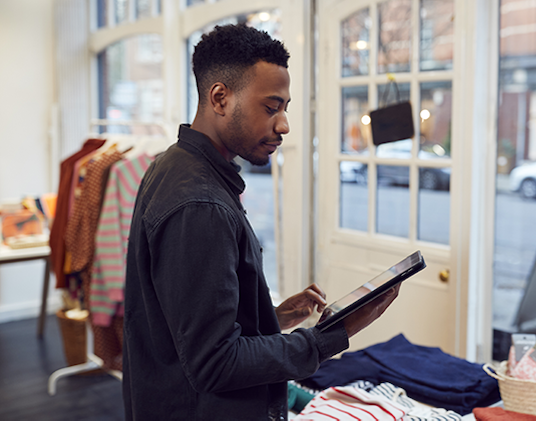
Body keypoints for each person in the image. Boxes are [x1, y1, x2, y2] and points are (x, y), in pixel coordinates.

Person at [122, 24, 400, 420]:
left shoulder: (172, 165)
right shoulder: (200, 203)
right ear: (220, 97)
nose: (284, 125)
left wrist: (271, 316)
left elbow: (182, 316)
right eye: (271, 108)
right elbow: (215, 362)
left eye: (285, 108)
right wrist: (328, 337)